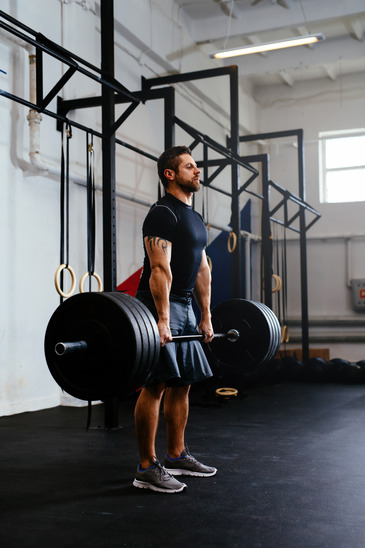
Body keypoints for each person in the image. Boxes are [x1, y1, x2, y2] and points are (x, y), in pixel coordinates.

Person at [133, 145, 217, 494]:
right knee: (156, 385)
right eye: (189, 167)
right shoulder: (162, 213)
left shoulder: (193, 217)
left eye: (196, 167)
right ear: (171, 174)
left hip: (185, 306)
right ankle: (147, 467)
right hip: (158, 306)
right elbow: (158, 268)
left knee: (183, 382)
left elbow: (201, 267)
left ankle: (177, 454)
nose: (197, 171)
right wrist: (163, 319)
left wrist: (206, 315)